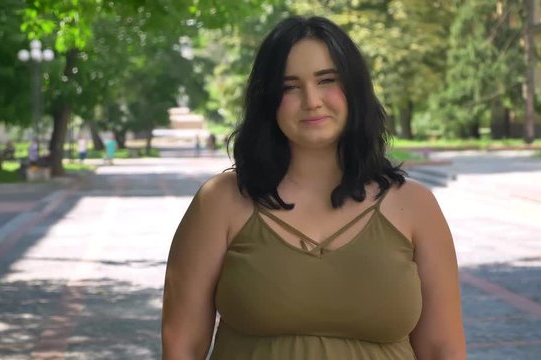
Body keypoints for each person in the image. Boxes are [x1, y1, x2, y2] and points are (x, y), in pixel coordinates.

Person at [162, 16, 466, 360]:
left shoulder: (415, 206)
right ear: (268, 99)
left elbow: (444, 349)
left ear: (354, 89)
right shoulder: (220, 202)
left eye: (327, 80)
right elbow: (181, 345)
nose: (312, 100)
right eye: (290, 86)